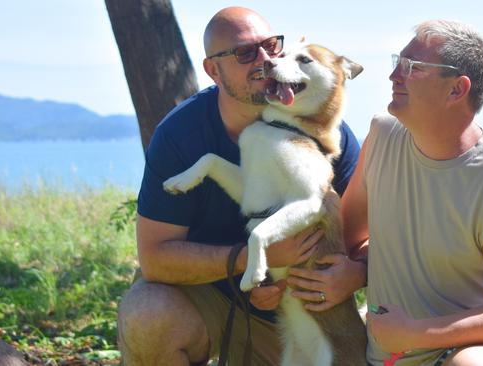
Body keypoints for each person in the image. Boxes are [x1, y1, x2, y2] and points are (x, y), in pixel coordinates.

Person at [116, 7, 361, 366]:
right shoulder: (181, 135)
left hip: (295, 322)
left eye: (271, 46)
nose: (264, 60)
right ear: (213, 70)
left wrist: (355, 275)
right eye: (245, 53)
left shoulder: (324, 132)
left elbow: (367, 233)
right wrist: (252, 259)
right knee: (147, 315)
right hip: (209, 300)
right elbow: (154, 260)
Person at [340, 20, 483, 365]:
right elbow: (349, 239)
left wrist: (414, 333)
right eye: (397, 63)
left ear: (456, 89)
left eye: (413, 68)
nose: (394, 77)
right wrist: (356, 271)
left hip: (478, 351)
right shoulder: (382, 134)